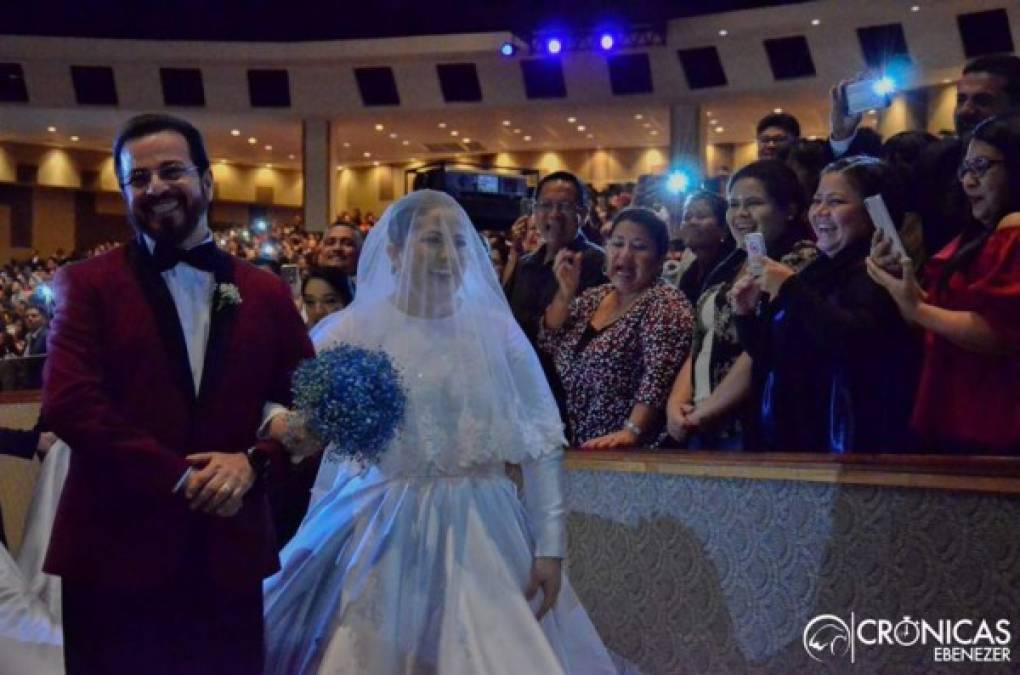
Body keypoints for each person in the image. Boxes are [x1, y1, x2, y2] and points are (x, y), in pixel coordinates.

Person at [262, 190, 615, 674]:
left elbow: (541, 438)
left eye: (457, 242)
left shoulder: (497, 331)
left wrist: (550, 546)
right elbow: (288, 410)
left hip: (482, 522)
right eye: (431, 240)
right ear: (393, 251)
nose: (448, 254)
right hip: (378, 520)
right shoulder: (352, 330)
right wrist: (297, 426)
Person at [41, 113, 313, 675]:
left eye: (171, 171)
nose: (156, 187)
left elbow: (306, 404)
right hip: (113, 553)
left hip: (226, 555)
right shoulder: (86, 285)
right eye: (138, 179)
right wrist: (180, 476)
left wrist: (254, 463)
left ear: (208, 182)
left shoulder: (263, 292)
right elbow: (71, 405)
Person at [729, 156, 919, 452]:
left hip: (841, 443)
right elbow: (772, 356)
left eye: (836, 201)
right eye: (817, 200)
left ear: (874, 212)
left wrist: (790, 287)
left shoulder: (880, 274)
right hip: (786, 437)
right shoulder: (818, 269)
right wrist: (745, 316)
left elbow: (850, 344)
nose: (820, 212)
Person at [868, 112, 1020, 453]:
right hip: (962, 409)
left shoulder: (1015, 229)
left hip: (996, 416)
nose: (968, 181)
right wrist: (901, 284)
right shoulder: (981, 233)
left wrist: (918, 308)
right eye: (965, 168)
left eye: (982, 166)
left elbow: (1001, 333)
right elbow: (941, 319)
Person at [665, 160, 816, 450]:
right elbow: (701, 338)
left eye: (754, 203)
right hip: (699, 421)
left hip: (751, 425)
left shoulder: (798, 260)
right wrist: (676, 404)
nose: (741, 214)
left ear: (790, 210)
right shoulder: (730, 261)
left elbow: (760, 350)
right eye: (733, 204)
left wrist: (705, 412)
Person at [539, 207, 693, 448]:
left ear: (661, 257)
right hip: (582, 446)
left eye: (639, 247)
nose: (625, 256)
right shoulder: (595, 297)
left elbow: (658, 377)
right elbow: (549, 341)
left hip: (635, 451)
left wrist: (631, 431)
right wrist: (565, 293)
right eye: (617, 244)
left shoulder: (666, 303)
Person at [673, 191, 736, 306]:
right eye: (687, 217)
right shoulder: (690, 272)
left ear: (724, 228)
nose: (692, 222)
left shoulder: (735, 268)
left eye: (701, 216)